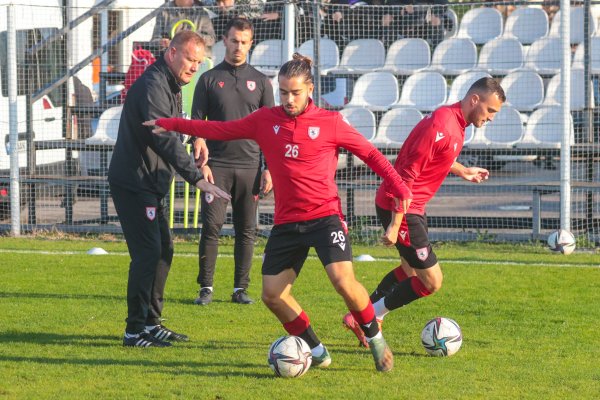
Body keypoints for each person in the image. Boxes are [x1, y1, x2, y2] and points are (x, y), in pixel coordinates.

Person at [144, 53, 413, 372]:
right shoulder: (264, 120)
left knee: (343, 281)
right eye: (283, 91)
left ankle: (375, 338)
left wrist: (400, 187)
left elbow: (371, 154)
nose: (288, 99)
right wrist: (170, 124)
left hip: (325, 216)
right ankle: (316, 349)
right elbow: (219, 129)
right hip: (288, 223)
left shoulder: (331, 123)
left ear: (310, 89)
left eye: (295, 92)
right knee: (272, 295)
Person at [342, 77, 506, 348]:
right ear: (475, 100)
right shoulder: (442, 124)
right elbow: (406, 176)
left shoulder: (456, 123)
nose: (491, 118)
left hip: (410, 207)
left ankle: (360, 315)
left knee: (409, 271)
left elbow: (440, 155)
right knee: (431, 281)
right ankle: (370, 317)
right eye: (490, 111)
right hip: (404, 208)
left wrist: (463, 170)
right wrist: (395, 225)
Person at [108, 30, 231, 348]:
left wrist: (196, 141)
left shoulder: (172, 85)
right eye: (190, 59)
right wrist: (196, 177)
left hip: (151, 183)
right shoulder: (153, 85)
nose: (194, 67)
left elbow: (176, 128)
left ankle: (151, 323)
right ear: (171, 52)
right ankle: (134, 331)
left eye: (199, 63)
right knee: (148, 254)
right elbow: (162, 137)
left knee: (164, 251)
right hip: (135, 183)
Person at [191, 18, 274, 306]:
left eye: (244, 41)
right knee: (211, 228)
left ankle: (240, 289)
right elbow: (195, 125)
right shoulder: (208, 79)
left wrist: (269, 169)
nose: (238, 46)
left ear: (251, 43)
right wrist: (201, 156)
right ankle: (206, 287)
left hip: (250, 168)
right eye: (234, 40)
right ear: (224, 41)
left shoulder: (262, 82)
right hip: (218, 167)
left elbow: (271, 131)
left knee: (246, 230)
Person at [152, 0, 216, 51]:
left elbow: (211, 39)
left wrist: (194, 36)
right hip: (173, 57)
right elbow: (154, 40)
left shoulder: (202, 14)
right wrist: (162, 43)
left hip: (198, 58)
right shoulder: (164, 13)